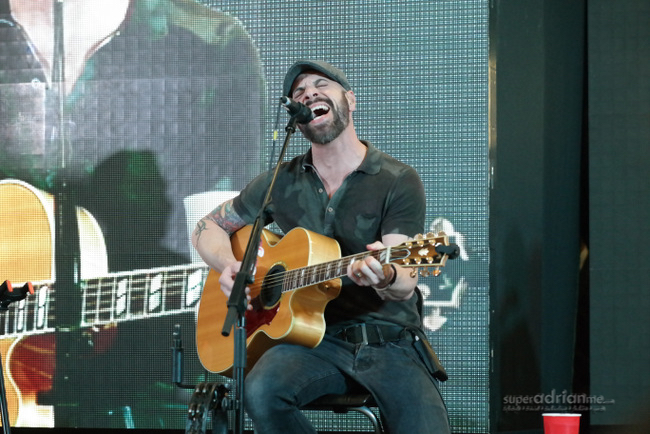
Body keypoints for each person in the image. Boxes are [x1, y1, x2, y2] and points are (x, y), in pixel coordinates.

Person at [192, 60, 450, 433]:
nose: (309, 93)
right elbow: (208, 226)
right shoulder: (280, 181)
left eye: (320, 85)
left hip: (388, 342)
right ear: (296, 116)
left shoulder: (397, 179)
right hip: (313, 343)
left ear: (350, 99)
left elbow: (404, 279)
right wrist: (229, 264)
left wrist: (384, 275)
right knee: (261, 389)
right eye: (298, 92)